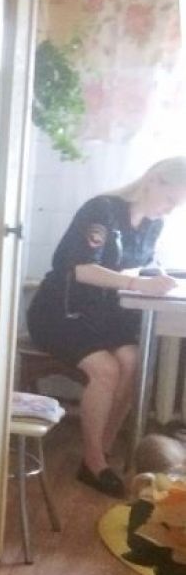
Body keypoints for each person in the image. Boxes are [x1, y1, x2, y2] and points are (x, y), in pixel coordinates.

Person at [27, 157, 186, 496]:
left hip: (102, 316)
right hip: (61, 312)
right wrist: (138, 284)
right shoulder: (102, 210)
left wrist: (157, 277)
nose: (171, 210)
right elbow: (82, 269)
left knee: (134, 361)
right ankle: (94, 462)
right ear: (154, 180)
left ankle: (101, 449)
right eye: (170, 199)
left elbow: (138, 265)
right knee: (107, 370)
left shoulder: (153, 225)